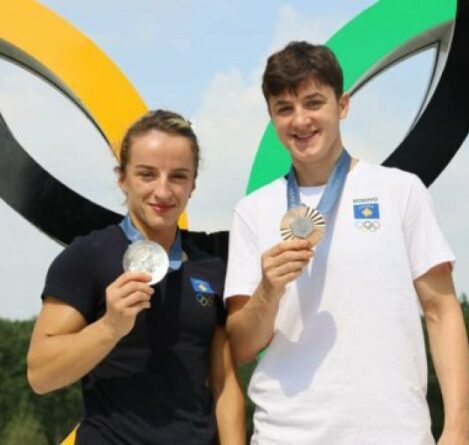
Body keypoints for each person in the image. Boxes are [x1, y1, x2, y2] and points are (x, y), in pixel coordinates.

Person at [224, 41, 469, 445]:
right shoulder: (253, 211)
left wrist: (458, 427)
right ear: (272, 118)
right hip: (287, 435)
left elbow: (441, 309)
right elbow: (242, 345)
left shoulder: (400, 191)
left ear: (342, 105)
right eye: (284, 108)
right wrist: (269, 289)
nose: (300, 120)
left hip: (395, 433)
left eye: (313, 103)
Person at [27, 109, 245, 445]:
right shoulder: (87, 256)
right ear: (122, 179)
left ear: (193, 185)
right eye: (147, 174)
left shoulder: (210, 268)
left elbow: (224, 382)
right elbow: (41, 375)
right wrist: (109, 327)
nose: (163, 191)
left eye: (178, 176)